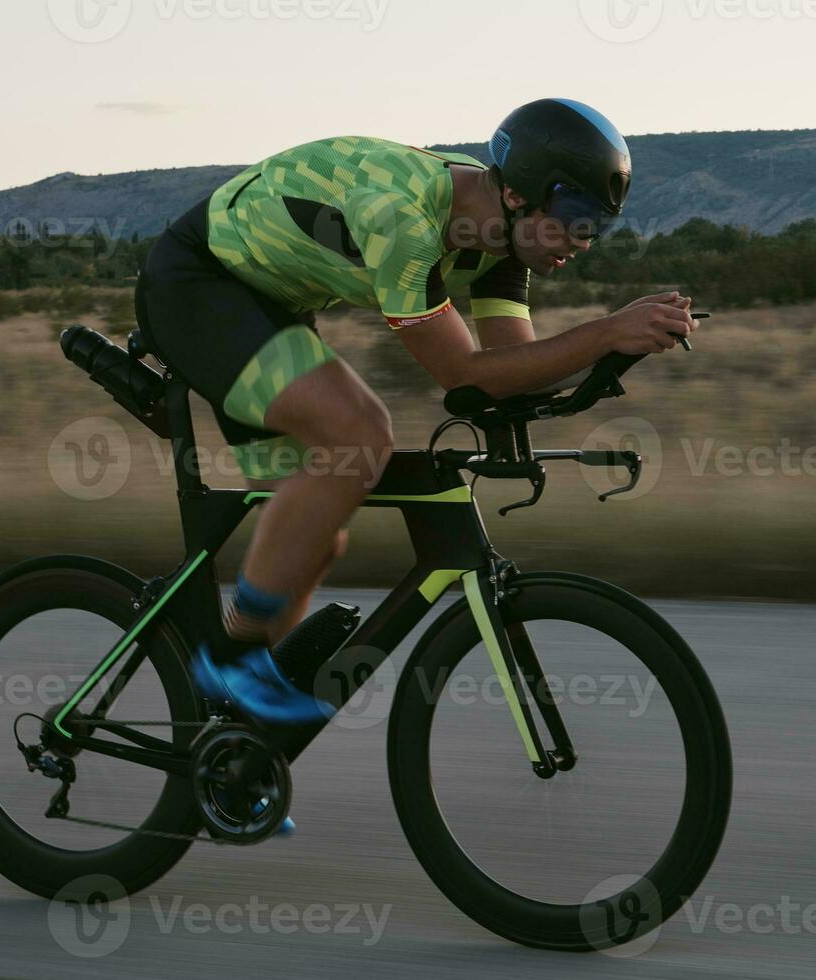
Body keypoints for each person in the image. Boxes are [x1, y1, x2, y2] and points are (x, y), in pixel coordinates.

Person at [137, 98, 697, 726]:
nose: (583, 240)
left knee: (314, 536)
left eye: (597, 224)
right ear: (519, 196)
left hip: (269, 305)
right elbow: (461, 375)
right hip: (198, 283)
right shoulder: (404, 222)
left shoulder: (499, 240)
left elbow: (514, 371)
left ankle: (232, 741)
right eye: (574, 215)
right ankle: (229, 661)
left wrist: (622, 351)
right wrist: (605, 331)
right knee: (360, 436)